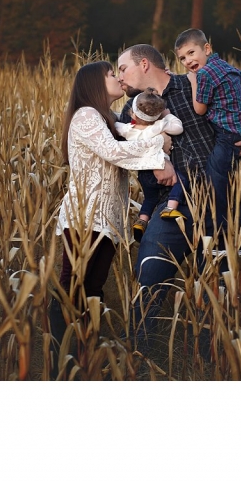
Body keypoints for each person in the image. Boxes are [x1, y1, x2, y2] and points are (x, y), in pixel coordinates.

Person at [116, 43, 241, 352]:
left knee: (218, 283)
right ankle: (138, 353)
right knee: (150, 270)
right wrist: (157, 161)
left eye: (123, 68)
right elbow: (122, 148)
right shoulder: (132, 107)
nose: (120, 76)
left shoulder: (196, 83)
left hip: (222, 201)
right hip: (173, 204)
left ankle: (213, 354)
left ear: (144, 65)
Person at [48, 60, 175, 377]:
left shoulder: (107, 118)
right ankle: (60, 359)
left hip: (104, 218)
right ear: (93, 83)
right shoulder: (87, 115)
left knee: (91, 288)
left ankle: (81, 355)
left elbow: (130, 142)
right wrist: (159, 153)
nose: (118, 77)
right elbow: (116, 153)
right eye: (110, 74)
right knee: (73, 286)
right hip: (85, 216)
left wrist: (156, 138)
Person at [175, 28, 241, 232]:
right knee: (240, 181)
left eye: (191, 53)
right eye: (182, 58)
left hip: (227, 136)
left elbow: (199, 109)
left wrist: (193, 81)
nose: (188, 62)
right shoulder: (221, 64)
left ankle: (228, 232)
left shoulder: (203, 74)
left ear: (206, 48)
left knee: (217, 184)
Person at [113, 87, 187, 242]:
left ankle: (142, 220)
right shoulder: (158, 126)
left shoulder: (128, 129)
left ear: (133, 113)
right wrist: (168, 115)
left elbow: (115, 126)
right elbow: (178, 128)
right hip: (159, 166)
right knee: (181, 180)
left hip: (144, 173)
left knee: (149, 198)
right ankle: (170, 208)